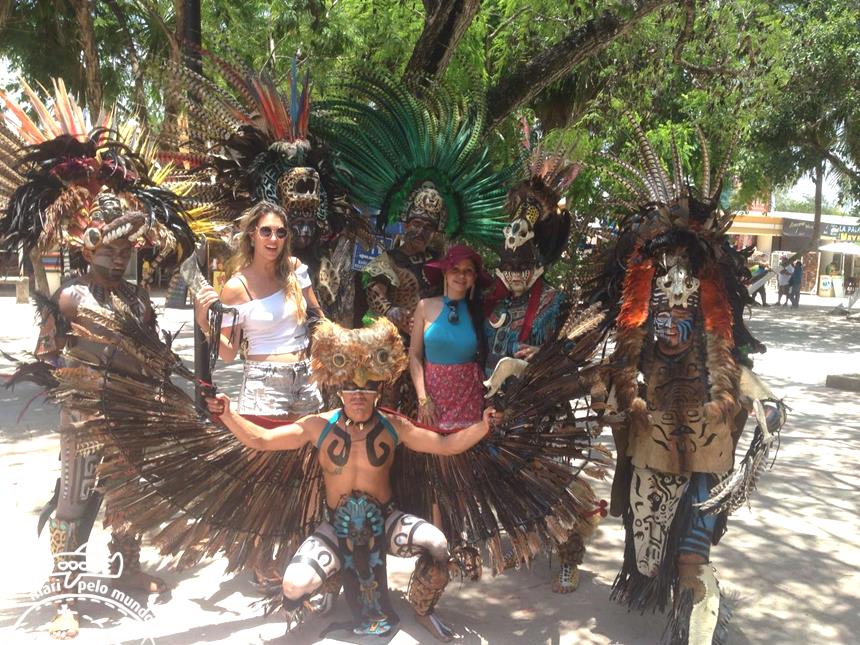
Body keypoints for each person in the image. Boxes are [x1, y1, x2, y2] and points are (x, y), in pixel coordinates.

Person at [0, 81, 195, 639]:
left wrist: (161, 388)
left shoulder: (136, 298)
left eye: (125, 251)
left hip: (131, 417)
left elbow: (153, 355)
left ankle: (127, 568)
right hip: (84, 421)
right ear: (89, 249)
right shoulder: (71, 298)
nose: (118, 258)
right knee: (73, 503)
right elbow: (51, 355)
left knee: (129, 498)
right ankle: (65, 595)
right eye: (109, 250)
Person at [588, 121, 786, 644]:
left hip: (703, 451)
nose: (671, 319)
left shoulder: (712, 347)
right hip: (651, 453)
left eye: (683, 309)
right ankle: (673, 593)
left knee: (693, 554)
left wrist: (766, 404)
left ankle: (693, 613)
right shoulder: (637, 347)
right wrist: (610, 398)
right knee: (650, 547)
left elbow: (740, 376)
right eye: (663, 307)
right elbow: (607, 383)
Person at [205, 318, 498, 641]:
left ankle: (423, 608)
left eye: (366, 388)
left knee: (437, 543)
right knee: (293, 585)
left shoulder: (393, 427)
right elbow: (261, 440)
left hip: (386, 522)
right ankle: (328, 585)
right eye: (351, 388)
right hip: (336, 527)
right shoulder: (318, 426)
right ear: (339, 391)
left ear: (377, 393)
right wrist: (228, 414)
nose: (358, 395)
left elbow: (445, 444)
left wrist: (483, 426)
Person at [313, 73, 511, 414]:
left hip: (434, 354)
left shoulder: (440, 262)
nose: (420, 233)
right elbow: (375, 294)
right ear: (405, 224)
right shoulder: (388, 259)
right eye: (416, 225)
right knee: (393, 413)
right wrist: (393, 312)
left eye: (428, 228)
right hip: (391, 348)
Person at [483, 141, 603, 594]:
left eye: (523, 265)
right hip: (499, 411)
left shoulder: (555, 301)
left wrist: (545, 358)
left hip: (544, 410)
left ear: (537, 262)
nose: (515, 273)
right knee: (511, 484)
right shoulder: (492, 303)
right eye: (508, 264)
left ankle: (570, 554)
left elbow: (574, 348)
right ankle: (528, 543)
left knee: (554, 484)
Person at [193, 201, 325, 424]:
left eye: (280, 233)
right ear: (252, 235)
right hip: (265, 385)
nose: (273, 238)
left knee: (309, 446)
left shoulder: (294, 269)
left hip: (306, 379)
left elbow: (318, 318)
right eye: (266, 231)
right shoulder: (237, 288)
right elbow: (228, 353)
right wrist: (204, 323)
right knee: (267, 446)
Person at [409, 244, 491, 431]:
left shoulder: (481, 313)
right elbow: (414, 355)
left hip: (469, 399)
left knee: (466, 449)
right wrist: (423, 399)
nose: (461, 276)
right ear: (445, 273)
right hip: (431, 401)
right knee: (430, 447)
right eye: (455, 269)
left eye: (468, 271)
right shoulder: (424, 306)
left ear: (474, 278)